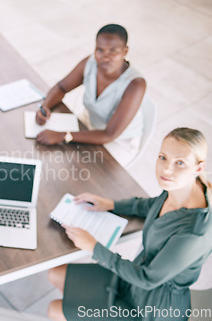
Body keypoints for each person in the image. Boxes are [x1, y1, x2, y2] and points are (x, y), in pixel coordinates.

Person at [47, 127, 212, 321]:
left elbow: (147, 278)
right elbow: (152, 205)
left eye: (180, 163)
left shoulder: (194, 234)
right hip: (131, 278)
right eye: (163, 157)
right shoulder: (181, 186)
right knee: (55, 274)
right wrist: (111, 204)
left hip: (153, 308)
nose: (166, 169)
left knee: (55, 310)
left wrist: (94, 247)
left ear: (198, 168)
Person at [36, 24, 146, 167]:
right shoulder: (89, 63)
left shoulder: (135, 85)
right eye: (100, 50)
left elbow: (110, 134)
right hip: (90, 125)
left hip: (118, 142)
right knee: (56, 158)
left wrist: (63, 135)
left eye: (113, 51)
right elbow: (61, 87)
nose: (105, 57)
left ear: (125, 51)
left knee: (85, 170)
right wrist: (45, 107)